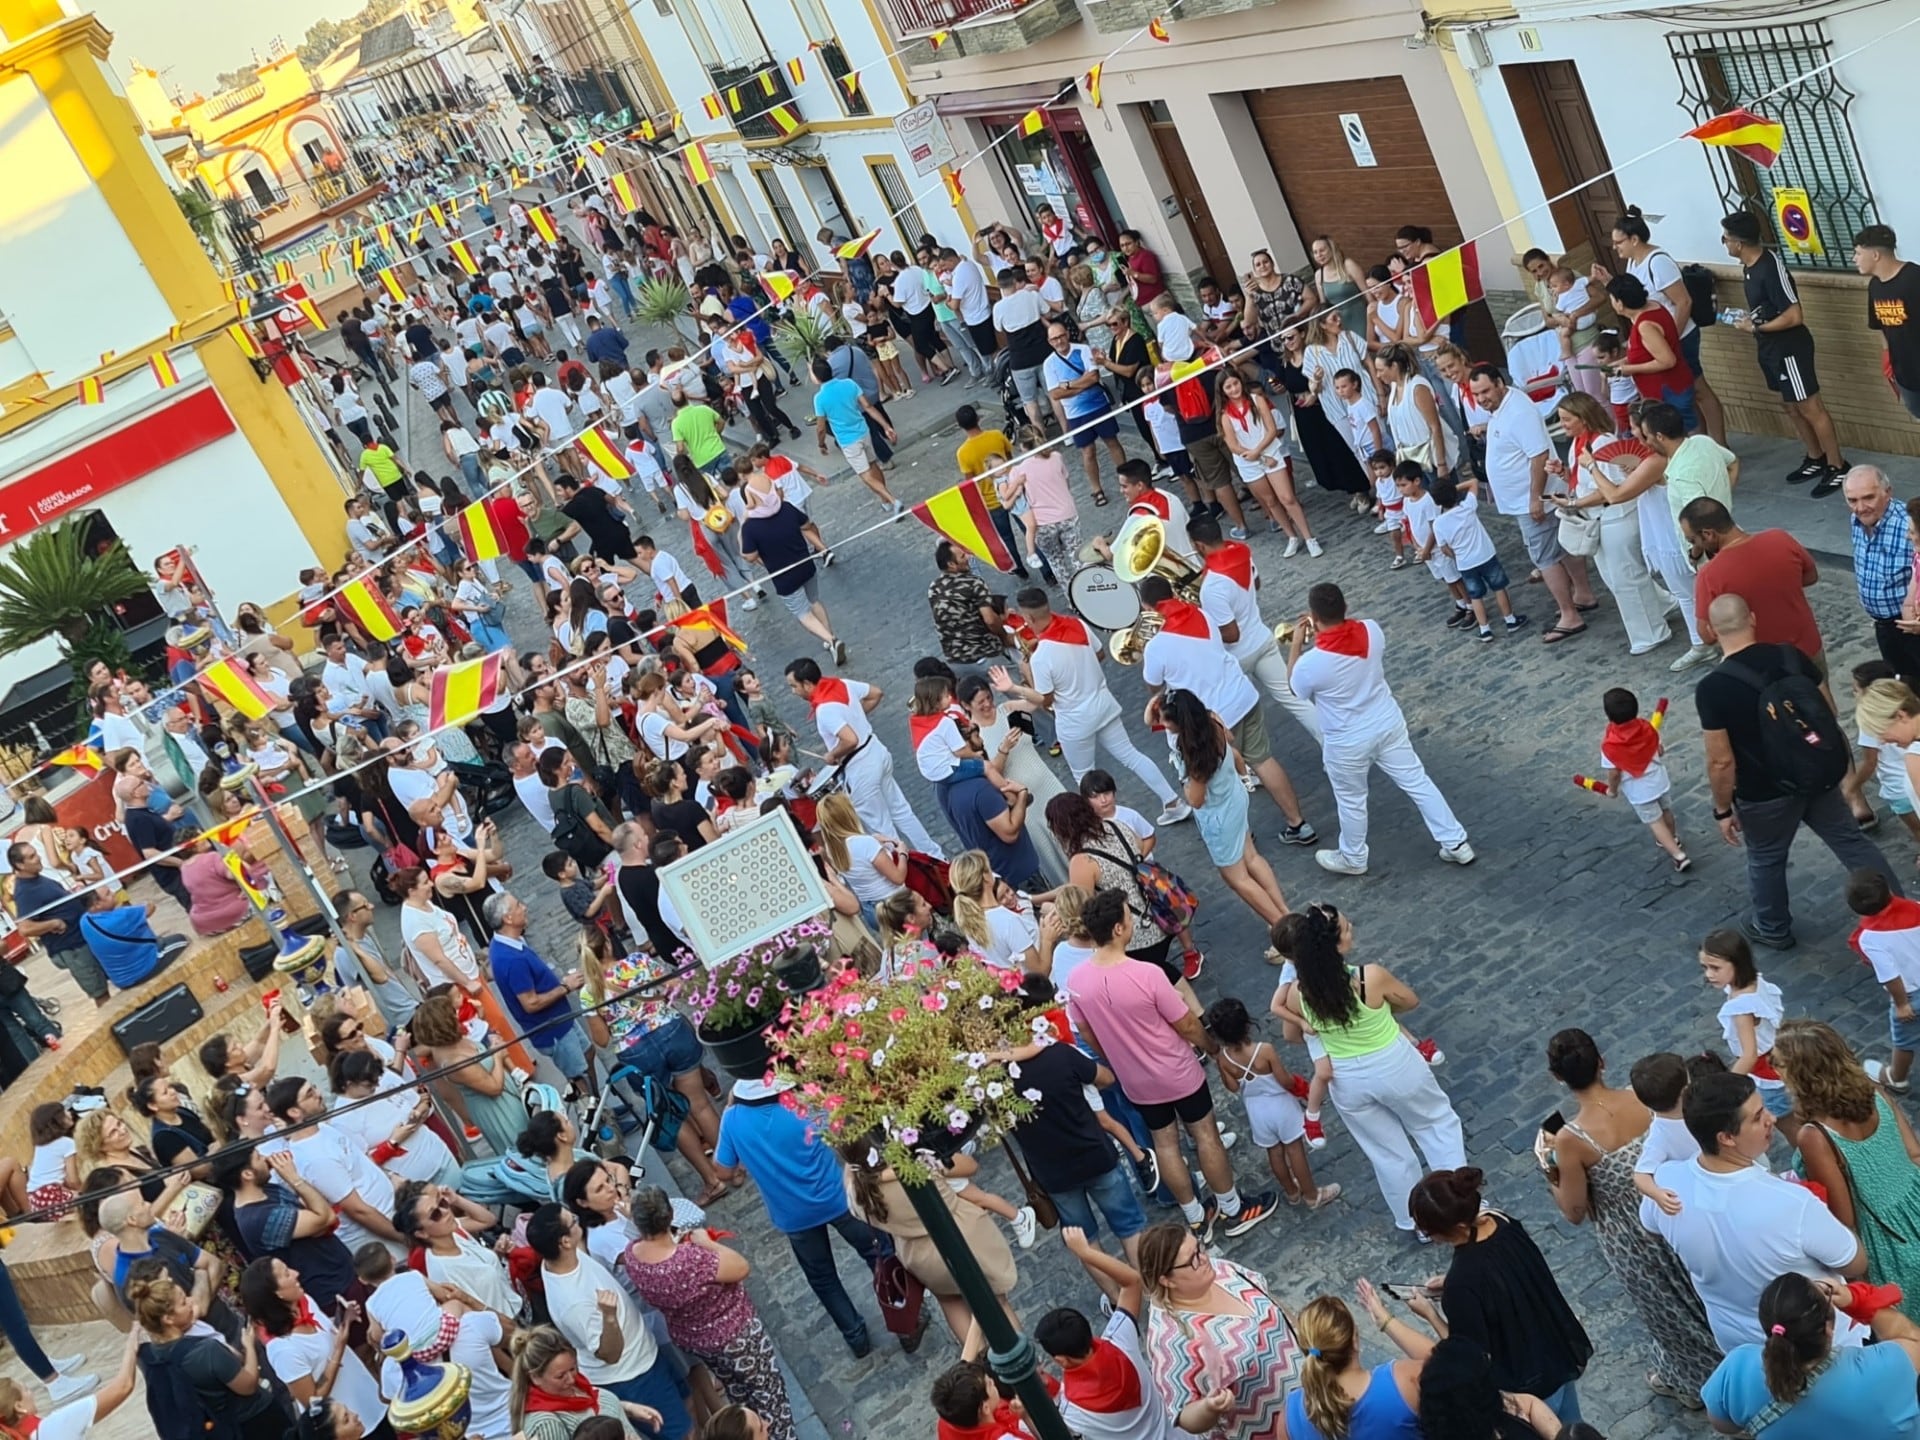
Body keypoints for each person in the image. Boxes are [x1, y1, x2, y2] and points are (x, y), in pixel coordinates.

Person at [1066, 891, 1277, 1240]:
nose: (1133, 921)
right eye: (1128, 918)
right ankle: (1233, 1208)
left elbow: (1086, 1032)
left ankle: (1196, 1217)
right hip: (1177, 1071)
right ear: (1118, 929)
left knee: (1165, 1144)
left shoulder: (1077, 982)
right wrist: (1211, 1049)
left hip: (1136, 1080)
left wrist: (1117, 1057)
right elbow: (1187, 1025)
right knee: (1205, 1133)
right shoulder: (1146, 974)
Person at [1699, 594, 1898, 949]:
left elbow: (1721, 761)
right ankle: (1896, 907)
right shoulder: (1791, 656)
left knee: (1765, 858)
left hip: (1764, 792)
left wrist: (1723, 808)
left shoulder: (1713, 688)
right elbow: (1828, 711)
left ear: (1711, 631)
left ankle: (1772, 927)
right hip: (1816, 772)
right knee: (1850, 842)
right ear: (1753, 619)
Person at [1534, 1030, 1718, 1408]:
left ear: (1558, 1078)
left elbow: (1574, 1210)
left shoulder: (1571, 1140)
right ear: (1602, 1061)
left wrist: (1549, 1167)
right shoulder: (1644, 1098)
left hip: (1631, 1239)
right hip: (1676, 1207)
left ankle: (1701, 1383)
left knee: (1669, 1312)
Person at [1644, 1069, 1867, 1353]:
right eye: (1758, 1116)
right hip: (1822, 1342)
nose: (1771, 1119)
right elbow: (1854, 1261)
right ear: (1726, 1138)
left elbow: (1651, 1227)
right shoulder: (1792, 1203)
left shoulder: (1664, 1182)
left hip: (1740, 1346)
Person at [1279, 904, 1464, 1231]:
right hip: (1394, 1064)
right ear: (1336, 945)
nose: (1352, 931)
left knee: (1388, 1154)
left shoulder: (1298, 993)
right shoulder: (1369, 977)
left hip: (1347, 1080)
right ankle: (1458, 1204)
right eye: (1347, 929)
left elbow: (1292, 1035)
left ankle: (1416, 1222)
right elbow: (1409, 1001)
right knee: (1435, 1125)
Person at [714, 1077, 920, 1359]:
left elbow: (723, 1171)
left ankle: (855, 1337)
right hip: (838, 1199)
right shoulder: (802, 1103)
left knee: (822, 1278)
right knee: (880, 1256)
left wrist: (729, 1115)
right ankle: (906, 1324)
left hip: (791, 1214)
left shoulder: (733, 1119)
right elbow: (844, 1132)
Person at [1287, 583, 1474, 875]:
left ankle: (1353, 857)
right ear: (1345, 607)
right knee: (1417, 781)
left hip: (1347, 740)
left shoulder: (1311, 663)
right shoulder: (1372, 630)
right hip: (1386, 721)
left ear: (1313, 615)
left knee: (1351, 801)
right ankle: (1456, 842)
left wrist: (1297, 645)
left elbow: (1294, 689)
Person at [1137, 576, 1316, 844]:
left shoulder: (1155, 645)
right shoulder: (1201, 613)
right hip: (1241, 696)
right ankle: (1299, 824)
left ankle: (1243, 838)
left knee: (1219, 784)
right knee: (1264, 760)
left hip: (1208, 720)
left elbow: (1154, 687)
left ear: (1148, 608)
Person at [1408, 1168, 1592, 1425]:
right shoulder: (1500, 1220)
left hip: (1525, 1382)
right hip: (1554, 1349)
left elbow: (1468, 1356)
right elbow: (1508, 1273)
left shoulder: (1463, 1285)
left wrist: (1430, 1314)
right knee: (1575, 1427)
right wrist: (1451, 1282)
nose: (1424, 1233)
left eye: (1427, 1230)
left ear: (1455, 1227)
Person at [995, 589, 1187, 821]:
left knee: (1083, 778)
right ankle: (1173, 801)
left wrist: (1018, 689)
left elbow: (1045, 700)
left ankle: (1106, 827)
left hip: (1074, 720)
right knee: (1131, 755)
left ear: (1030, 619)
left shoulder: (1042, 656)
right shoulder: (1077, 625)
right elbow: (1100, 654)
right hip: (1103, 704)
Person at [620, 1185, 794, 1440]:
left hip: (695, 1338)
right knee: (769, 1394)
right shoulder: (690, 1259)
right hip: (735, 1336)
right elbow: (740, 1267)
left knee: (738, 1390)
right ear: (670, 1215)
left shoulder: (633, 1256)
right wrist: (707, 1243)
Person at [1775, 1018, 1920, 1304]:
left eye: (1778, 1064)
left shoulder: (1814, 1136)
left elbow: (1845, 1218)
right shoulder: (1873, 1090)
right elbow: (1914, 1154)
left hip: (1887, 1242)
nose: (1775, 1071)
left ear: (1802, 1073)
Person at [1039, 1233, 1234, 1439]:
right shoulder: (1120, 1339)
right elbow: (1132, 1281)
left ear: (1060, 1359)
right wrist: (1086, 1253)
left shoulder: (1073, 1414)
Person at [522, 1205, 691, 1436]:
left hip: (645, 1354)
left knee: (686, 1408)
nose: (576, 1219)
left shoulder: (563, 1259)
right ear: (564, 1242)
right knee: (681, 1434)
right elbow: (609, 1354)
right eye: (572, 1220)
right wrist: (609, 1317)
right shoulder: (574, 1302)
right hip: (633, 1375)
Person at [1701, 1270, 1920, 1438]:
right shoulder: (1890, 1366)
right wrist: (1855, 1301)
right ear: (1828, 1328)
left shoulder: (1738, 1367)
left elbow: (1724, 1425)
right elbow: (1912, 1337)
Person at [1136, 1224, 1300, 1440]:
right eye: (1192, 1259)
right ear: (1167, 1280)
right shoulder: (1168, 1339)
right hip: (1269, 1429)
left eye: (1199, 1248)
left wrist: (1303, 1332)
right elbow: (1183, 1414)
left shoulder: (1219, 1269)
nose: (1204, 1258)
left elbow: (1268, 1299)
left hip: (1311, 1395)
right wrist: (1210, 1407)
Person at [1722, 210, 1847, 493]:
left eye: (1726, 239)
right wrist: (1753, 321)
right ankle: (1816, 456)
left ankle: (1837, 465)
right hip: (1769, 347)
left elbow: (1794, 316)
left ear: (1738, 243)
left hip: (1790, 348)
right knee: (1791, 406)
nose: (1725, 244)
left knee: (1810, 406)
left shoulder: (1770, 267)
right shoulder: (1749, 267)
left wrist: (1756, 329)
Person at [1469, 364, 1595, 643]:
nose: (1481, 399)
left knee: (1545, 558)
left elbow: (1538, 455)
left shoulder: (1518, 411)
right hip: (1530, 499)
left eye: (1486, 391)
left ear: (1500, 384)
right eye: (1476, 394)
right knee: (1563, 546)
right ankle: (1583, 594)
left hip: (1533, 501)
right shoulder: (1506, 406)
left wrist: (1534, 498)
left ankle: (1569, 615)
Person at [1547, 392, 1673, 657]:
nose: (1563, 425)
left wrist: (1573, 505)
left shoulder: (1602, 442)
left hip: (1616, 516)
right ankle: (1662, 604)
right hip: (1599, 517)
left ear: (1583, 418)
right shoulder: (1578, 443)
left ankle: (1650, 633)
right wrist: (1565, 474)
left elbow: (1612, 487)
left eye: (1567, 419)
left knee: (1626, 577)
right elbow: (1585, 481)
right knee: (1614, 576)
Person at [785, 659, 944, 858]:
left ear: (807, 684)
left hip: (859, 766)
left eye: (794, 686)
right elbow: (875, 693)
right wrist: (857, 716)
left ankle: (907, 872)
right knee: (902, 812)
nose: (793, 691)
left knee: (882, 826)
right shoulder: (841, 683)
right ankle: (936, 855)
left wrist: (833, 754)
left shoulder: (825, 710)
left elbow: (849, 739)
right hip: (875, 750)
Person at [1157, 688, 1289, 926]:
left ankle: (1281, 928)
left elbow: (1195, 799)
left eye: (1166, 721)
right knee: (1252, 857)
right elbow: (1231, 743)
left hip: (1219, 817)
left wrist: (1184, 783)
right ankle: (1285, 913)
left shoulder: (1195, 757)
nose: (1162, 724)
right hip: (1234, 798)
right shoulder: (1212, 720)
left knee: (1237, 878)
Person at [1205, 996, 1338, 1210]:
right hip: (1281, 1106)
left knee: (1274, 1153)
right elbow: (1284, 1080)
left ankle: (1292, 1191)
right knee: (1295, 1150)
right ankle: (1312, 1195)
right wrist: (1302, 1089)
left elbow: (1232, 1087)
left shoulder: (1223, 1059)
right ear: (1248, 1024)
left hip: (1256, 1112)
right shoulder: (1264, 1050)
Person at [130, 1270, 293, 1440]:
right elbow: (248, 1385)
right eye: (184, 1302)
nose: (191, 1301)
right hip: (253, 1422)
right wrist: (249, 1346)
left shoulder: (148, 1355)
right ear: (168, 1319)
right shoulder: (206, 1351)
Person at [1685, 498, 1824, 663]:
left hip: (1764, 664)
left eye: (1693, 541)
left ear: (1708, 534)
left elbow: (1706, 634)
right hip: (1808, 648)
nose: (1695, 546)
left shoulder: (1709, 575)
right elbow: (1810, 576)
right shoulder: (1780, 538)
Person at [486, 892, 592, 1096]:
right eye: (518, 905)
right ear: (507, 918)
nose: (524, 907)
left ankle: (600, 1103)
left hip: (560, 1019)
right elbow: (530, 1003)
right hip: (553, 1030)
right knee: (580, 1076)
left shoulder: (506, 943)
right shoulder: (512, 960)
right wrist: (566, 987)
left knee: (588, 1054)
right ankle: (599, 1118)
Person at [1291, 1286, 1431, 1440]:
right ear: (1355, 1340)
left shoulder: (1289, 1415)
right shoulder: (1404, 1383)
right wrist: (1385, 1320)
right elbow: (1449, 1362)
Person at [738, 488, 846, 663]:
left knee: (803, 613)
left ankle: (831, 640)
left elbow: (749, 556)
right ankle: (830, 634)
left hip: (784, 577)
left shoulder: (750, 527)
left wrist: (743, 524)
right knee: (814, 600)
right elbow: (806, 524)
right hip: (806, 565)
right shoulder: (786, 508)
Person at [508, 1325, 666, 1440]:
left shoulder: (578, 1390)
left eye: (573, 1369)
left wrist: (626, 1408)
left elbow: (596, 1413)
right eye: (560, 1376)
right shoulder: (546, 1424)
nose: (571, 1379)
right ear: (535, 1377)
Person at [1592, 687, 1688, 871]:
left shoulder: (1610, 745)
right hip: (1659, 781)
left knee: (1655, 821)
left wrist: (1612, 790)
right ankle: (1673, 837)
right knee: (1666, 810)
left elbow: (1614, 773)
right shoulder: (1647, 728)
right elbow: (1659, 749)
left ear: (1608, 716)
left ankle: (1678, 855)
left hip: (1639, 791)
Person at [1846, 865, 1920, 1090]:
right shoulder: (1916, 908)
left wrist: (1901, 1004)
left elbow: (1890, 976)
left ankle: (1897, 1076)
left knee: (1904, 1040)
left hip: (1911, 994)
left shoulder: (1870, 938)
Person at [1845, 465, 1920, 679]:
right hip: (1885, 626)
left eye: (1868, 497)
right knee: (1902, 684)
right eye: (1852, 500)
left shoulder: (1908, 525)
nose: (1860, 508)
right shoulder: (1857, 520)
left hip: (1912, 627)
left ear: (1887, 492)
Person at [1042, 322, 1128, 498]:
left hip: (1098, 405)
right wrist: (1081, 385)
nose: (1059, 341)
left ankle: (1126, 478)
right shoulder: (1049, 363)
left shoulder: (1082, 350)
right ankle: (1096, 489)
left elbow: (1094, 377)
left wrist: (1068, 385)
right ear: (1050, 342)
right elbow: (1055, 394)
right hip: (1075, 414)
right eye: (1054, 339)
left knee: (1112, 442)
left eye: (1061, 336)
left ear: (1067, 334)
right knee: (1088, 452)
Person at [809, 356, 900, 512]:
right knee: (873, 465)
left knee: (864, 474)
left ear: (817, 378)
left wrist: (821, 444)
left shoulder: (819, 398)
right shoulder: (849, 383)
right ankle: (885, 500)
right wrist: (886, 426)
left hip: (848, 440)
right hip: (864, 431)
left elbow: (821, 428)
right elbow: (868, 407)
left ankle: (891, 499)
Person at [1856, 223, 1920, 421]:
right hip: (1906, 373)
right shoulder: (1875, 286)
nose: (1854, 259)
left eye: (1858, 253)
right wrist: (1888, 357)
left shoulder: (1914, 278)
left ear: (1875, 255)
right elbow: (1881, 326)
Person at [76, 889, 189, 989]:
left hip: (120, 979)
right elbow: (150, 908)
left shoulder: (84, 921)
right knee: (183, 939)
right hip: (144, 969)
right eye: (108, 894)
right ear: (97, 904)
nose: (113, 893)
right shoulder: (123, 916)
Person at [926, 540, 1007, 666]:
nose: (968, 557)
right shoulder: (974, 583)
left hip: (955, 659)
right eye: (963, 556)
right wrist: (1005, 637)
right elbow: (990, 620)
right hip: (985, 652)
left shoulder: (933, 588)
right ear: (952, 564)